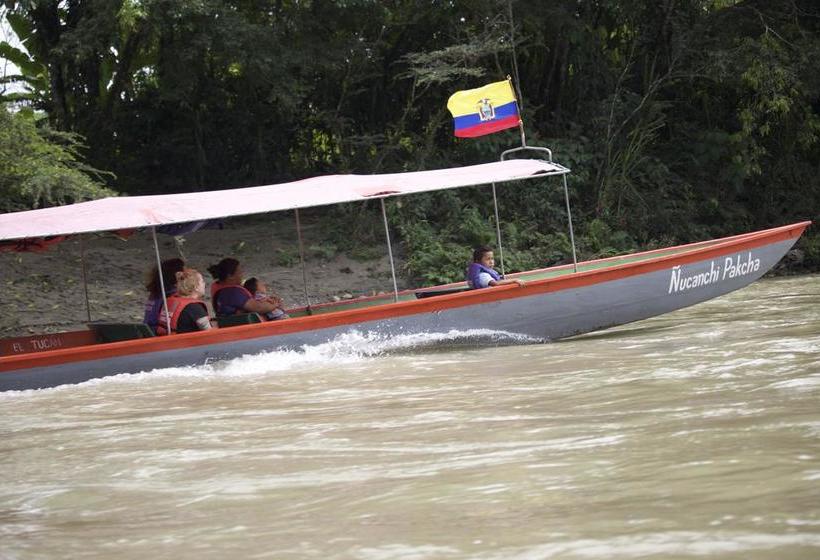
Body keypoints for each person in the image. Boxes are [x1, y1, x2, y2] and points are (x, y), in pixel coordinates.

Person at [207, 257, 284, 317]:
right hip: (239, 326)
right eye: (240, 272)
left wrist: (266, 300)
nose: (242, 275)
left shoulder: (220, 286)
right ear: (230, 276)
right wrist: (275, 304)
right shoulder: (232, 292)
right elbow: (259, 308)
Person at [155, 268, 212, 335]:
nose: (204, 284)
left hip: (166, 341)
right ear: (196, 287)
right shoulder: (195, 308)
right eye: (202, 281)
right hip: (185, 343)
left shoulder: (170, 301)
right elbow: (210, 333)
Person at [143, 257, 185, 333]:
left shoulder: (156, 292)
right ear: (178, 275)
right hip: (157, 333)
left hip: (146, 329)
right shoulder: (171, 295)